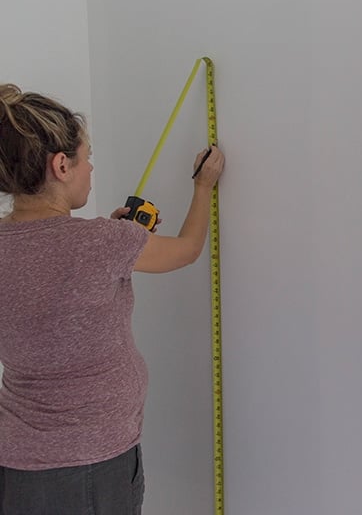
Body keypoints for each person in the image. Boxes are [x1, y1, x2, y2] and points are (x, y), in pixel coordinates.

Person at [0, 83, 224, 514]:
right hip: (91, 463)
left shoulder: (95, 241)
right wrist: (204, 186)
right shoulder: (102, 243)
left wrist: (113, 238)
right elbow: (189, 249)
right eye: (86, 158)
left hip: (17, 460)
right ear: (61, 165)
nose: (91, 168)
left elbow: (49, 275)